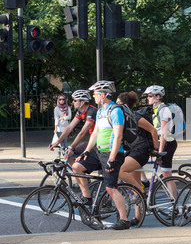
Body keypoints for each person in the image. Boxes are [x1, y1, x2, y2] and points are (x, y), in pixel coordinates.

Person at [74, 80, 130, 230]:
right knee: (77, 167)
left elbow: (118, 136)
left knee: (111, 188)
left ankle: (124, 220)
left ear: (103, 95)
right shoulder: (100, 112)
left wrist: (112, 159)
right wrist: (87, 150)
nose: (93, 97)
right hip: (98, 152)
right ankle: (87, 197)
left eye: (95, 94)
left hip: (112, 154)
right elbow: (95, 134)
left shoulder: (115, 111)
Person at [116, 91, 159, 195]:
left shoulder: (135, 117)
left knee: (120, 171)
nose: (116, 106)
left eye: (118, 104)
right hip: (132, 151)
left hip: (141, 150)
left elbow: (153, 130)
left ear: (124, 105)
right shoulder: (122, 117)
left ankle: (141, 192)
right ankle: (139, 208)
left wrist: (156, 150)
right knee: (134, 184)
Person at [49, 90, 98, 166]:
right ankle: (80, 174)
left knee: (71, 154)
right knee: (69, 155)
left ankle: (80, 172)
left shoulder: (92, 111)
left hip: (98, 142)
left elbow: (82, 132)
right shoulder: (80, 111)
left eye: (75, 100)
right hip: (92, 141)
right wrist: (57, 142)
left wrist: (71, 147)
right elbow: (69, 127)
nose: (72, 102)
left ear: (82, 102)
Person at [144, 85, 178, 181]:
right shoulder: (155, 109)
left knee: (167, 174)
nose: (148, 98)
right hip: (161, 142)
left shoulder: (164, 110)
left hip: (167, 143)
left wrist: (160, 152)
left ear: (157, 97)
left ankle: (173, 196)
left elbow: (164, 134)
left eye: (150, 96)